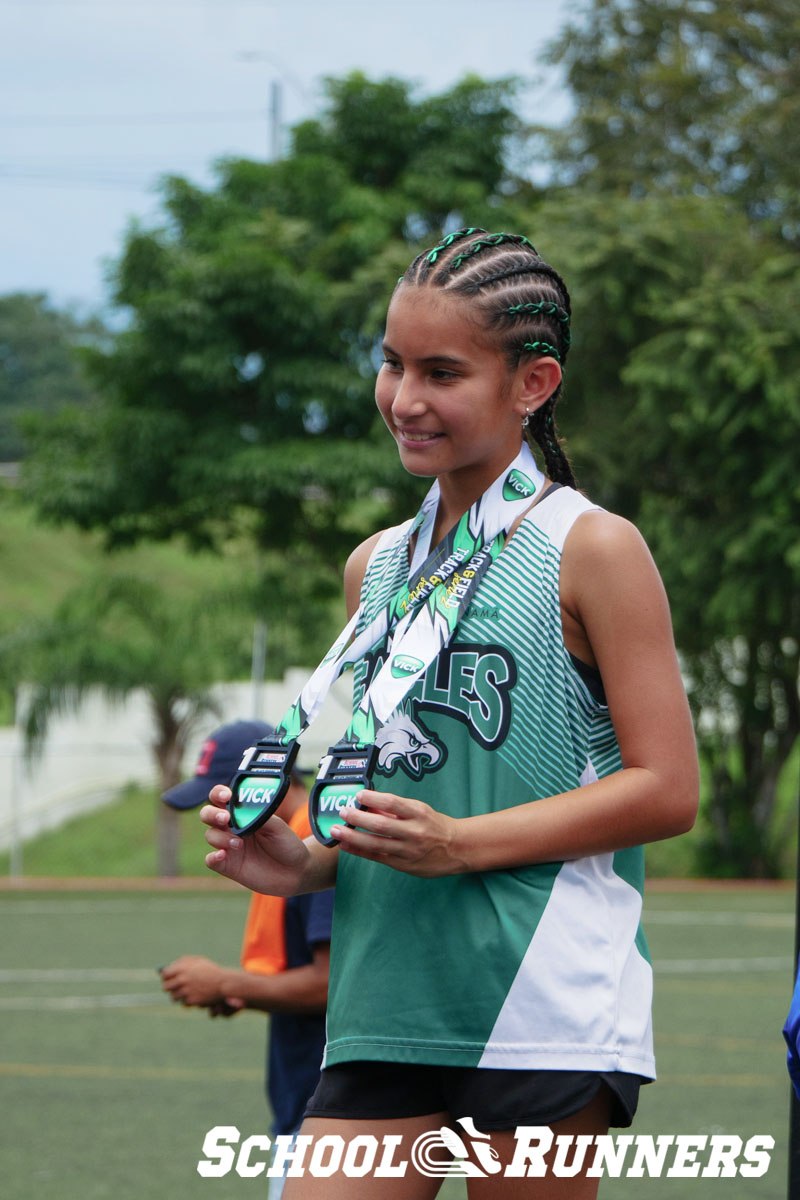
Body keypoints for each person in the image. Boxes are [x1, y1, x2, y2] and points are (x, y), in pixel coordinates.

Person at [201, 229, 699, 1198]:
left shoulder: (592, 549)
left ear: (532, 382)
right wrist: (306, 865)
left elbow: (666, 790)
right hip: (384, 996)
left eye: (441, 371)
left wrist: (461, 844)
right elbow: (386, 783)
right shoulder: (374, 565)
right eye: (390, 363)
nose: (404, 398)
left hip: (538, 996)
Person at [159, 719, 333, 1199]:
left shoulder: (324, 840)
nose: (221, 819)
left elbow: (331, 983)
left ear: (265, 785)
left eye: (225, 801)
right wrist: (241, 993)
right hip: (302, 1099)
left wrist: (227, 983)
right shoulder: (292, 843)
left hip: (330, 1111)